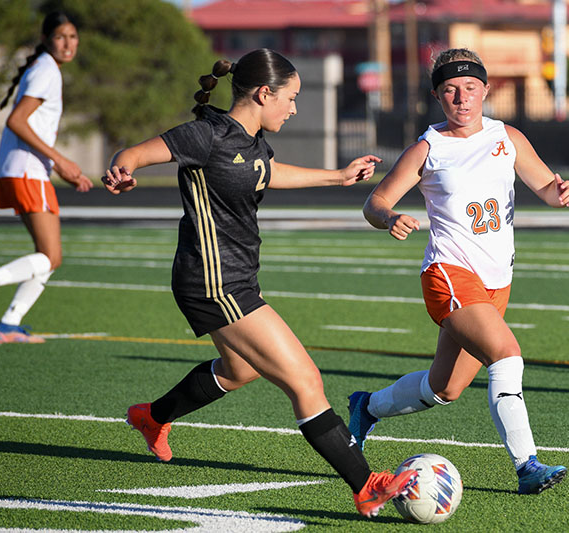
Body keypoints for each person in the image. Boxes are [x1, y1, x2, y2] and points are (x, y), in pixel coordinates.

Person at [101, 48, 417, 518]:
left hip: (237, 276)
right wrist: (122, 170)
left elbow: (266, 173)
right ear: (264, 93)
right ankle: (366, 484)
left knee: (239, 370)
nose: (293, 108)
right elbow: (136, 153)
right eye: (290, 98)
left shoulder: (252, 142)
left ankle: (153, 417)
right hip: (212, 280)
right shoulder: (204, 133)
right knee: (305, 380)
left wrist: (338, 177)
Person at [347, 48, 569, 495]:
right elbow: (374, 202)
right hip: (449, 272)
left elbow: (548, 188)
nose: (462, 97)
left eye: (471, 88)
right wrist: (389, 218)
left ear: (485, 90)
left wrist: (563, 190)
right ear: (438, 96)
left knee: (445, 389)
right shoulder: (427, 148)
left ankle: (368, 408)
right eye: (451, 90)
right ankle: (527, 464)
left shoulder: (507, 136)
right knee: (507, 354)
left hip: (497, 281)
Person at [0, 11, 92, 343]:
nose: (68, 43)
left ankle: (8, 326)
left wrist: (57, 166)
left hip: (21, 171)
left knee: (45, 256)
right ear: (47, 39)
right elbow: (17, 121)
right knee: (52, 256)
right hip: (26, 172)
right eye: (61, 36)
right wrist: (60, 160)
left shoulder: (44, 69)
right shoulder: (47, 70)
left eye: (73, 37)